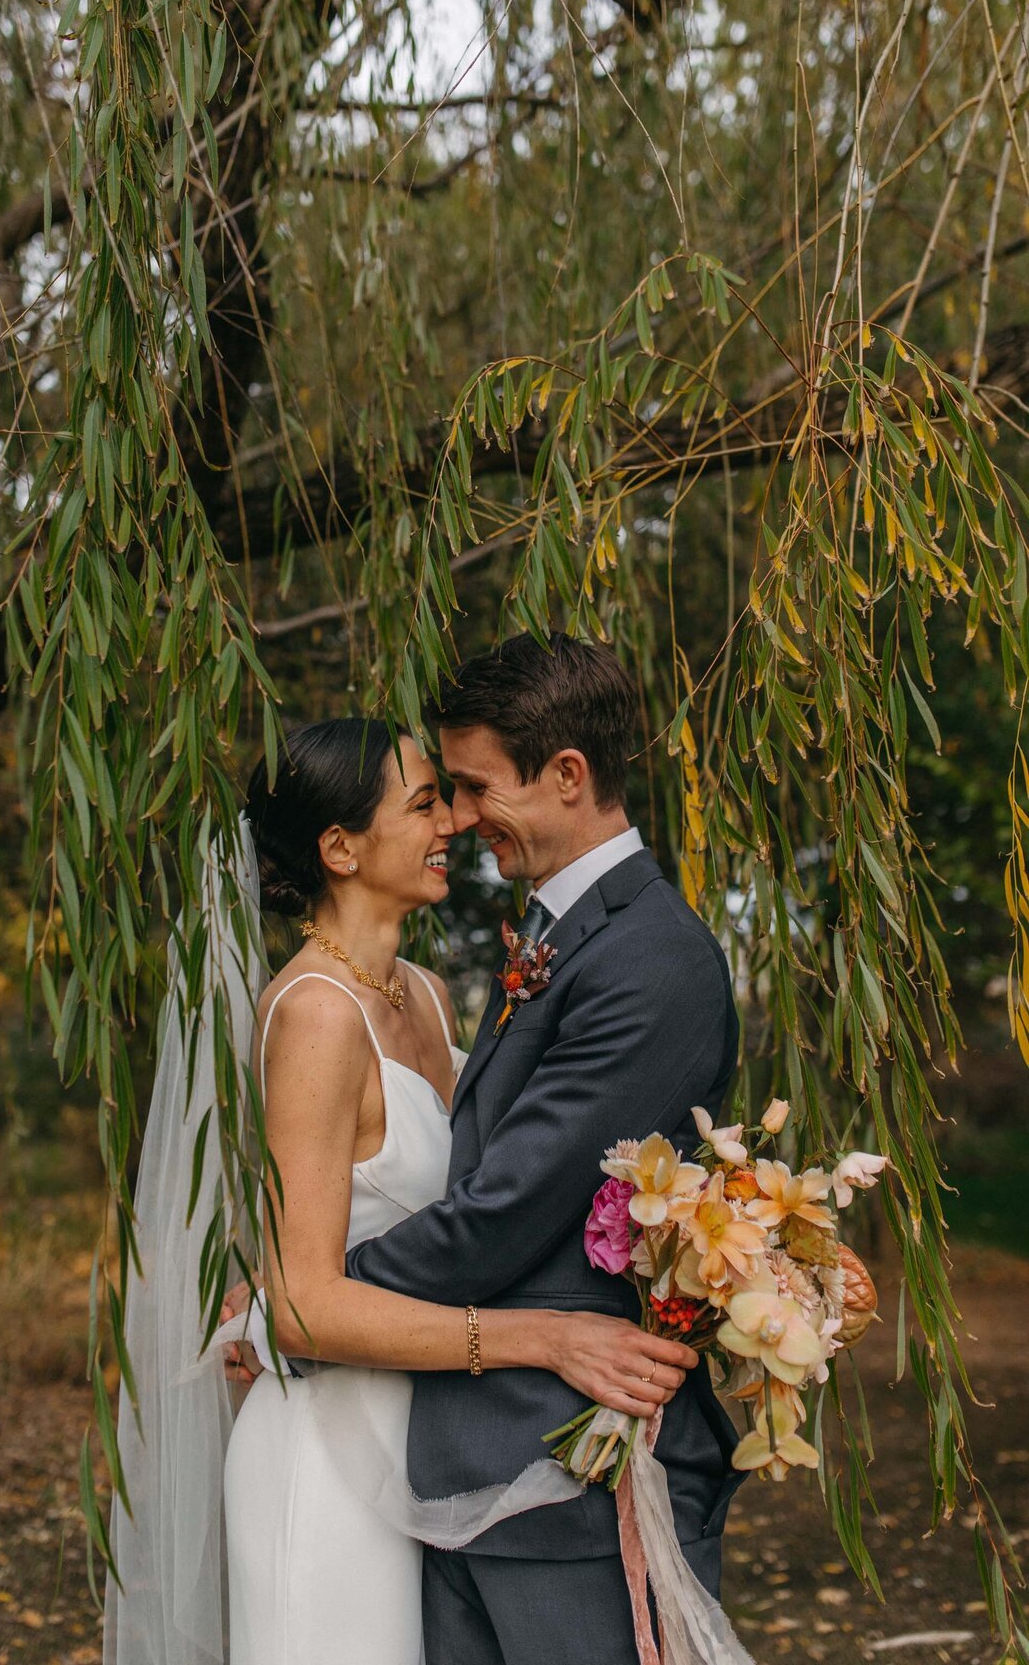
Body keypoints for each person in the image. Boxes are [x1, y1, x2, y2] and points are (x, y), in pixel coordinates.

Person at [105, 709, 699, 1665]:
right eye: (425, 803)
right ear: (340, 847)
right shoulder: (314, 1016)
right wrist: (546, 1338)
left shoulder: (417, 992)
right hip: (326, 1455)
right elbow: (303, 1312)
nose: (453, 825)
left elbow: (507, 1183)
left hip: (415, 1446)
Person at [341, 634, 746, 1665]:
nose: (462, 819)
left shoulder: (651, 959)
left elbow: (505, 1211)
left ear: (568, 776)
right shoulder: (564, 936)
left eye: (476, 788)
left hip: (579, 1473)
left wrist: (309, 1297)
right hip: (493, 1466)